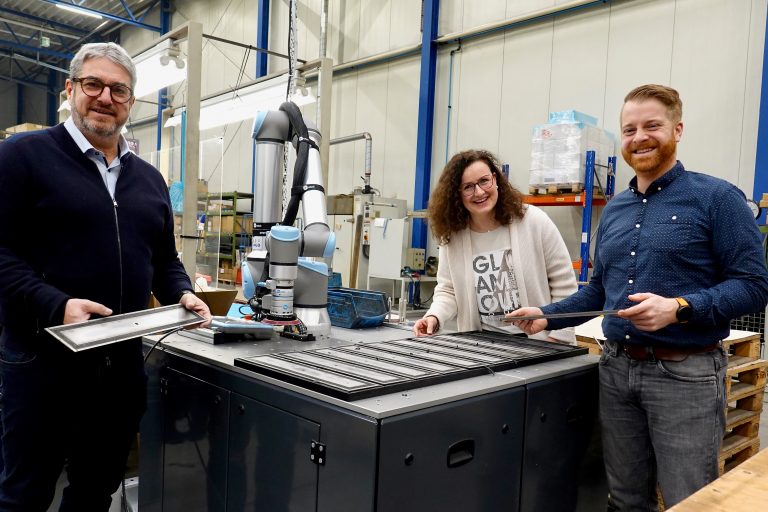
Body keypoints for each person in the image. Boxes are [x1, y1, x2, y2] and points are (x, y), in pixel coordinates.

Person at [508, 84, 768, 510]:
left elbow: (754, 285)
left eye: (652, 126)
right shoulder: (615, 209)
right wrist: (546, 315)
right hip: (616, 372)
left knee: (690, 499)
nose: (640, 137)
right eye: (629, 130)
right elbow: (599, 290)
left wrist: (679, 309)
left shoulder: (717, 199)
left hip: (685, 375)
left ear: (677, 129)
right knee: (626, 499)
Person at [0, 42, 212, 511]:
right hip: (42, 364)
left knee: (95, 491)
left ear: (130, 101)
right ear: (70, 89)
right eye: (93, 84)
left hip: (118, 372)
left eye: (119, 90)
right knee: (24, 495)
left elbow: (164, 259)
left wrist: (182, 292)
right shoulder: (21, 157)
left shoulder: (149, 179)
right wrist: (56, 304)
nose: (105, 98)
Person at [412, 149, 577, 341]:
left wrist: (557, 339)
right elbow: (448, 290)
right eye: (468, 187)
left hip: (540, 343)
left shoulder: (534, 221)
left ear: (495, 179)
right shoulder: (453, 238)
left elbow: (565, 286)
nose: (479, 192)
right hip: (481, 345)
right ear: (457, 194)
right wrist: (434, 317)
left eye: (484, 181)